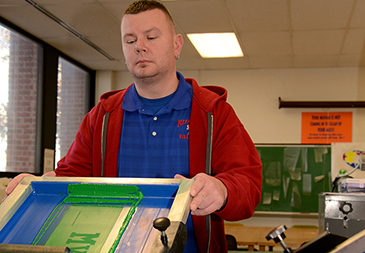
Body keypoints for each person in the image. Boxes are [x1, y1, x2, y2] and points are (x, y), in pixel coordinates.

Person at [4, 0, 262, 252]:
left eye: (151, 37)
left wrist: (222, 189)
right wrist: (34, 189)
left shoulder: (213, 113)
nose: (140, 47)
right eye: (130, 40)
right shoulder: (102, 116)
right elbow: (70, 178)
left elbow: (248, 184)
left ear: (176, 45)